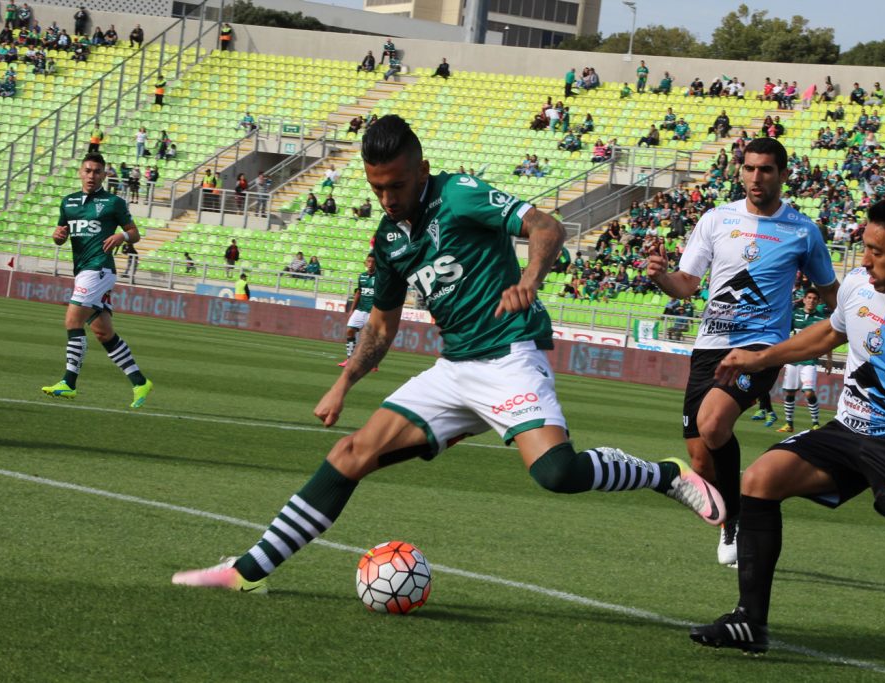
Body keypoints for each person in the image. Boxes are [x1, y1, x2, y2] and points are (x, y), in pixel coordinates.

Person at [172, 114, 725, 595]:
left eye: (397, 185)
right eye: (376, 188)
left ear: (422, 169)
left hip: (509, 356)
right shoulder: (387, 240)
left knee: (557, 473)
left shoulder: (459, 194)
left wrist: (530, 277)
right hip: (454, 368)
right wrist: (345, 381)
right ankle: (247, 570)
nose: (387, 198)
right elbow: (383, 326)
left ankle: (662, 475)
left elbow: (546, 225)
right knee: (349, 455)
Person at [689, 197, 885, 682]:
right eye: (863, 248)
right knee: (759, 479)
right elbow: (824, 337)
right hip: (847, 429)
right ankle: (750, 622)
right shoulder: (858, 287)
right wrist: (758, 358)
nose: (864, 261)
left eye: (876, 251)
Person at [646, 137, 839, 567]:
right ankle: (733, 513)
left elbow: (832, 296)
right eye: (749, 168)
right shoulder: (716, 219)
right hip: (709, 347)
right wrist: (661, 277)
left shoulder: (803, 231)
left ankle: (736, 522)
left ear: (784, 175)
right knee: (701, 458)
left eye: (766, 169)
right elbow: (686, 284)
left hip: (760, 348)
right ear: (740, 171)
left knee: (713, 423)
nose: (756, 177)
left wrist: (861, 332)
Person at [40, 153, 153, 408]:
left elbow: (135, 234)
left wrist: (121, 236)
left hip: (99, 269)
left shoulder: (113, 202)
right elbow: (61, 236)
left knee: (72, 319)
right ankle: (139, 381)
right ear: (81, 172)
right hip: (83, 270)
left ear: (104, 175)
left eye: (97, 171)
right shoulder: (68, 203)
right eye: (88, 170)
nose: (92, 175)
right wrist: (57, 236)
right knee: (102, 332)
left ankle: (69, 382)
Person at [775, 288, 829, 433]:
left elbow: (828, 339)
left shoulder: (821, 319)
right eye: (809, 298)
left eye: (814, 298)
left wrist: (829, 359)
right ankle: (789, 424)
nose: (811, 300)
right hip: (793, 359)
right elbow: (785, 333)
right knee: (789, 392)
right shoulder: (795, 315)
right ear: (804, 299)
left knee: (808, 392)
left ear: (818, 301)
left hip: (810, 361)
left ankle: (816, 423)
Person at [338, 254, 377, 368]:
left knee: (370, 337)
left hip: (372, 311)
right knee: (350, 330)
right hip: (360, 309)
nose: (370, 264)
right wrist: (352, 309)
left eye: (372, 262)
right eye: (368, 261)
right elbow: (358, 293)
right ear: (365, 263)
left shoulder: (379, 277)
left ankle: (373, 362)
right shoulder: (362, 277)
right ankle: (350, 359)